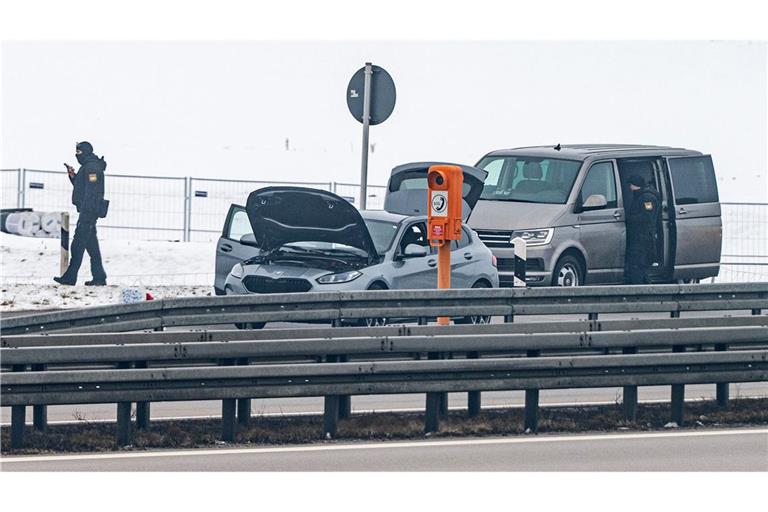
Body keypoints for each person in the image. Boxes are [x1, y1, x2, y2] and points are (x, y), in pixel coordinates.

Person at [54, 141, 108, 286]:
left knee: (77, 245)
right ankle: (99, 277)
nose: (76, 155)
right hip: (88, 211)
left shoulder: (92, 168)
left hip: (88, 212)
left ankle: (70, 278)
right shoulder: (88, 166)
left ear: (86, 152)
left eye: (79, 152)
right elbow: (84, 187)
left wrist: (87, 212)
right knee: (92, 247)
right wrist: (73, 176)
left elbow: (92, 191)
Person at [624, 174, 661, 284]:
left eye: (631, 185)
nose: (630, 187)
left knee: (638, 264)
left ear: (636, 185)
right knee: (638, 266)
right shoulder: (640, 196)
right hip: (639, 236)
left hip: (643, 237)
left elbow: (647, 217)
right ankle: (646, 289)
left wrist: (629, 219)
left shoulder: (647, 198)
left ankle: (639, 291)